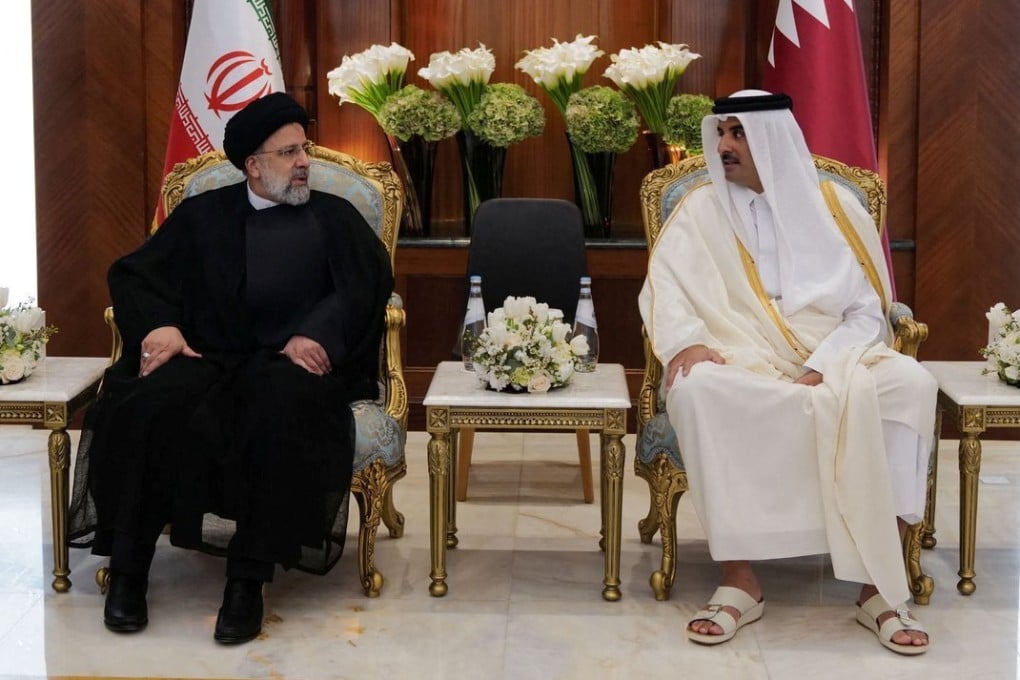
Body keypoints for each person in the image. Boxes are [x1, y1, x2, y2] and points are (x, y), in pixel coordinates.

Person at [67, 92, 393, 644]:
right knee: (146, 404)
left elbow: (367, 285)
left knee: (279, 411)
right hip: (207, 356)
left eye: (304, 149)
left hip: (284, 366)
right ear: (253, 165)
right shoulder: (203, 215)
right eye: (288, 153)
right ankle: (129, 572)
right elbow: (135, 275)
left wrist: (315, 333)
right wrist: (160, 327)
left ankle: (247, 580)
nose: (304, 163)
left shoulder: (333, 216)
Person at [638, 90, 936, 655]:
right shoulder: (700, 209)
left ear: (771, 139)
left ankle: (879, 586)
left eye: (738, 134)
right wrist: (689, 342)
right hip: (741, 357)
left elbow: (867, 311)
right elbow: (665, 290)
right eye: (722, 133)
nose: (723, 145)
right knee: (699, 389)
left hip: (835, 353)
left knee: (911, 387)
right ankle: (739, 577)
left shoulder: (834, 209)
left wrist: (822, 368)